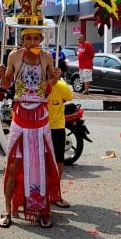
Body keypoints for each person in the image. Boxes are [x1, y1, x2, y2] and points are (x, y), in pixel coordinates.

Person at [0, 28, 62, 228]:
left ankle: (43, 211)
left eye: (36, 38)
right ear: (22, 39)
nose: (32, 42)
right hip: (20, 116)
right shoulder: (14, 56)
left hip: (41, 117)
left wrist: (55, 77)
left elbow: (49, 84)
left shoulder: (47, 57)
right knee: (13, 165)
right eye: (28, 38)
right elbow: (8, 84)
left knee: (42, 164)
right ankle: (8, 211)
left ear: (41, 39)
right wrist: (1, 75)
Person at [47, 76, 74, 209]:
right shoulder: (38, 83)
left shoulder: (61, 85)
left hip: (57, 127)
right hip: (40, 127)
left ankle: (55, 194)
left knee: (58, 161)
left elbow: (69, 97)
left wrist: (57, 82)